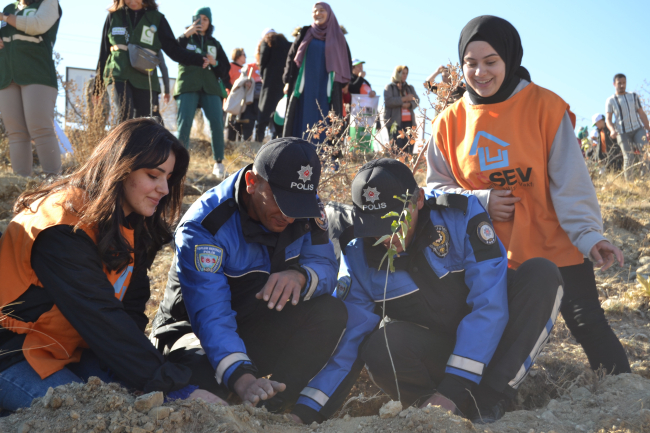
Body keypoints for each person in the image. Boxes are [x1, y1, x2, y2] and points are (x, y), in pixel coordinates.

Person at [426, 15, 629, 377]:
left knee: (588, 324)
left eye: (491, 62)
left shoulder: (545, 108)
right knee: (492, 331)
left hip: (556, 242)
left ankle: (627, 395)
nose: (480, 72)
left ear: (510, 58)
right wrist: (481, 200)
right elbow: (434, 189)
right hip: (489, 253)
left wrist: (589, 236)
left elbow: (571, 182)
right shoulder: (448, 122)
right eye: (470, 64)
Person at [0, 118, 224, 412]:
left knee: (139, 400)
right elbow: (101, 317)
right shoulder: (62, 226)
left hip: (73, 350)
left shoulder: (129, 219)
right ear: (121, 167)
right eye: (153, 175)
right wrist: (174, 386)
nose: (165, 189)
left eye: (168, 177)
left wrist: (151, 382)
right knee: (90, 415)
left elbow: (129, 309)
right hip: (14, 354)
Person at [318, 158, 563, 423]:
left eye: (396, 222)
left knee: (542, 274)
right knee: (381, 346)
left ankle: (489, 400)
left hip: (497, 342)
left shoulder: (460, 216)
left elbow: (489, 306)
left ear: (419, 199)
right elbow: (348, 341)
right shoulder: (357, 255)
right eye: (375, 227)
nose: (388, 238)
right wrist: (306, 411)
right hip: (438, 351)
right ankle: (431, 414)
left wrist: (454, 390)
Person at [150, 137, 347, 425]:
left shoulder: (307, 209)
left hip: (253, 321)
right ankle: (239, 388)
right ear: (253, 182)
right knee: (206, 378)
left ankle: (271, 407)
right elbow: (211, 314)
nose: (290, 217)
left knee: (330, 312)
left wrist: (301, 276)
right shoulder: (205, 226)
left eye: (297, 206)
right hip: (192, 332)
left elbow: (326, 265)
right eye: (281, 203)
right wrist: (241, 377)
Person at [95, 0, 210, 124]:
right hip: (118, 72)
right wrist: (97, 87)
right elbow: (104, 51)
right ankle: (121, 143)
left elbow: (173, 49)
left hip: (145, 77)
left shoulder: (157, 18)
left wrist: (197, 59)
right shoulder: (114, 16)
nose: (132, 1)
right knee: (124, 115)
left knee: (144, 122)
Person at [0, 0, 62, 177]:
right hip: (6, 75)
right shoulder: (9, 8)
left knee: (40, 128)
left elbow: (37, 25)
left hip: (37, 74)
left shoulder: (49, 3)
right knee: (15, 132)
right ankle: (22, 184)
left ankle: (53, 181)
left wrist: (4, 18)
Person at [282, 2, 351, 144]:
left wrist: (345, 83)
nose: (317, 13)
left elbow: (346, 60)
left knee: (326, 117)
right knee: (300, 117)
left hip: (327, 89)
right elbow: (292, 57)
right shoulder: (305, 32)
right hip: (304, 88)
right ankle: (296, 153)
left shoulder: (338, 36)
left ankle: (325, 156)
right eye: (315, 11)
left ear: (329, 13)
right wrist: (288, 81)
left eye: (321, 10)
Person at [174, 7, 230, 178]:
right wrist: (186, 34)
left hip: (210, 87)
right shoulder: (185, 38)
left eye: (206, 19)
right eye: (199, 18)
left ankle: (218, 162)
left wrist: (215, 62)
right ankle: (177, 164)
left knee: (216, 123)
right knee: (184, 124)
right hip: (188, 85)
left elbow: (225, 68)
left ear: (210, 22)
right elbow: (174, 50)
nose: (202, 21)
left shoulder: (215, 43)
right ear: (193, 20)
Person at [605, 73, 650, 181]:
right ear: (614, 84)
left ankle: (644, 180)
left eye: (624, 83)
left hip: (637, 129)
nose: (622, 85)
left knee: (646, 153)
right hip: (622, 132)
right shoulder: (610, 100)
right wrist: (612, 130)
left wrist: (648, 128)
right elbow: (608, 119)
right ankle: (629, 184)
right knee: (629, 157)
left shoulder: (633, 96)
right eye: (619, 83)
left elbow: (641, 113)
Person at [257, 29, 291, 141]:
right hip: (283, 83)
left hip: (270, 81)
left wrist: (262, 74)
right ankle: (279, 138)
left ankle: (259, 137)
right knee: (280, 112)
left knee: (265, 110)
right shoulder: (287, 44)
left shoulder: (266, 42)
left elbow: (263, 60)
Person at [383, 65, 419, 153]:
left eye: (406, 73)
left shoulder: (410, 87)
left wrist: (410, 105)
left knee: (408, 149)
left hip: (409, 123)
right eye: (403, 73)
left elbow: (417, 100)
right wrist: (405, 99)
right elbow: (388, 101)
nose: (405, 75)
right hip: (394, 123)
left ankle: (408, 166)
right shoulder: (390, 87)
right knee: (397, 148)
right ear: (397, 73)